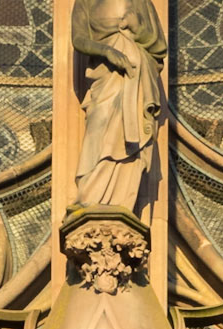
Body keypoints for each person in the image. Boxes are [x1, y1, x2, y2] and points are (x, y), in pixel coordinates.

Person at [71, 0, 168, 220]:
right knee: (99, 126)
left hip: (136, 78)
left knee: (128, 136)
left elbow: (159, 46)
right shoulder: (85, 2)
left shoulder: (142, 2)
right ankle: (90, 196)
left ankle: (123, 201)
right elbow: (78, 38)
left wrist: (138, 27)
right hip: (104, 76)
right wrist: (105, 50)